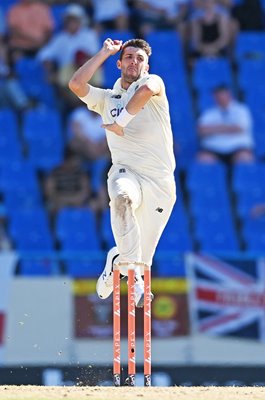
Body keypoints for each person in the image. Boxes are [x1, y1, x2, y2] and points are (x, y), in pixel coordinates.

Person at [68, 37, 176, 307]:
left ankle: (118, 262)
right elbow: (76, 85)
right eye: (128, 57)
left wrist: (120, 122)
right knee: (122, 198)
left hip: (160, 183)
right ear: (119, 63)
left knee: (144, 257)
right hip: (126, 172)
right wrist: (103, 52)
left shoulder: (155, 83)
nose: (134, 62)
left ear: (147, 65)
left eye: (140, 59)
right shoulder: (107, 98)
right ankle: (134, 278)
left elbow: (145, 91)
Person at [37, 4, 101, 111]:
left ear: (80, 21)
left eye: (74, 19)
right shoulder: (60, 38)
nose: (71, 22)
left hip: (85, 70)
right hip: (66, 75)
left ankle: (86, 105)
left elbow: (95, 55)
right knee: (59, 77)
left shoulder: (89, 35)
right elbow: (44, 54)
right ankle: (72, 106)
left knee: (96, 72)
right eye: (69, 20)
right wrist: (47, 64)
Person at [196, 84, 255, 164]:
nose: (220, 98)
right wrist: (228, 128)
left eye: (223, 94)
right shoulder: (209, 113)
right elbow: (201, 131)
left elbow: (240, 128)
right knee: (203, 159)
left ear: (229, 94)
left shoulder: (241, 110)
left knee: (245, 158)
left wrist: (213, 129)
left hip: (237, 148)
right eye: (218, 95)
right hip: (214, 148)